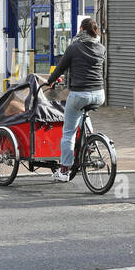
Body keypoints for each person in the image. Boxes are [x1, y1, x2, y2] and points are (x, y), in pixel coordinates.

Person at [46, 18, 106, 183]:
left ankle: (64, 170)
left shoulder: (74, 47)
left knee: (68, 133)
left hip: (80, 93)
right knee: (84, 113)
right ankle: (90, 142)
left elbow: (60, 68)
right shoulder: (101, 48)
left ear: (81, 29)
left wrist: (50, 80)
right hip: (99, 94)